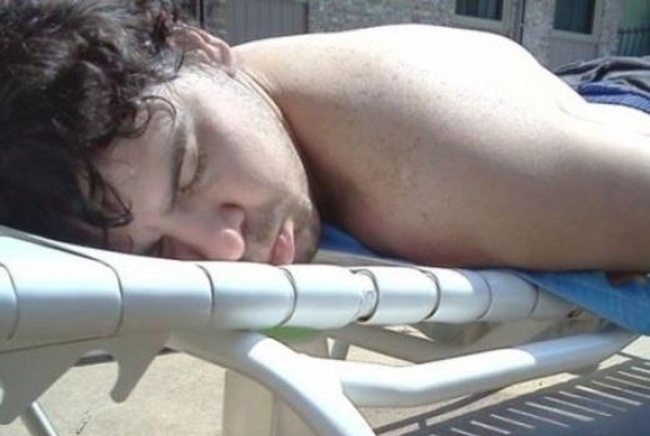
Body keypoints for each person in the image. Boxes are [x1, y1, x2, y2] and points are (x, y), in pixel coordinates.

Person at [1, 0, 650, 275]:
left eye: (193, 167)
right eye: (159, 250)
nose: (224, 247)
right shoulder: (220, 92)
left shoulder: (436, 170)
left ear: (205, 48)